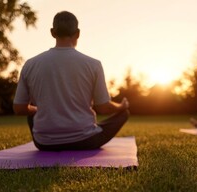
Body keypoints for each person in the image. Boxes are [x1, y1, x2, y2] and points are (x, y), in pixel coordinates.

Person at [13, 11, 129, 151]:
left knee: (32, 112)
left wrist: (41, 109)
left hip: (44, 143)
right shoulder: (93, 64)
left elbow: (19, 108)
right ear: (78, 33)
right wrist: (121, 107)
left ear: (52, 32)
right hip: (86, 140)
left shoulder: (30, 64)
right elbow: (103, 107)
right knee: (124, 114)